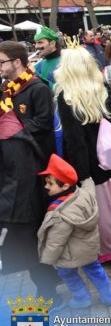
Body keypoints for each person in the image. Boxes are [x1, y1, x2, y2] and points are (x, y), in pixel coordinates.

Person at [54, 46, 111, 263]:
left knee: (104, 212)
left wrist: (81, 175)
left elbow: (75, 141)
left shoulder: (66, 97)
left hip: (91, 166)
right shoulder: (102, 88)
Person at [0, 41, 61, 308]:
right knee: (24, 233)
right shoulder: (6, 89)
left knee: (32, 231)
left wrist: (13, 131)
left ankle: (49, 289)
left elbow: (43, 123)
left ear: (17, 62)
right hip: (12, 169)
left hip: (34, 171)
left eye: (2, 61)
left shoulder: (38, 88)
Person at [37, 154, 111, 309]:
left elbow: (56, 242)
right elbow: (88, 185)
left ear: (65, 186)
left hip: (69, 255)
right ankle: (108, 296)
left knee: (68, 275)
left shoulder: (60, 213)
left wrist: (47, 259)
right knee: (96, 272)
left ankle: (82, 299)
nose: (46, 186)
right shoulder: (84, 194)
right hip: (89, 250)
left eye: (50, 183)